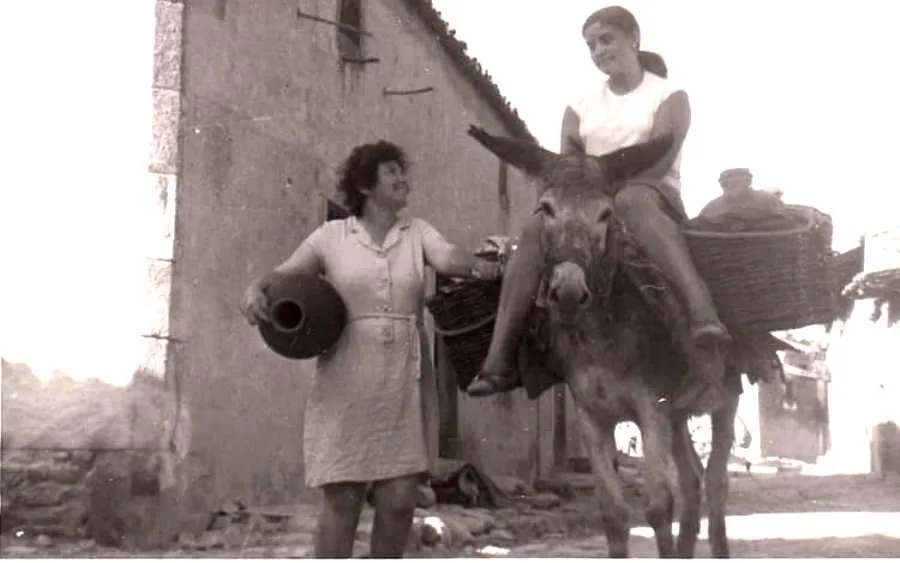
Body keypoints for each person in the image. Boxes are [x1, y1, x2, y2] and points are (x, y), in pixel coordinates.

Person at [240, 141, 501, 558]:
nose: (403, 179)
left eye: (404, 170)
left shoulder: (417, 232)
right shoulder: (331, 237)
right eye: (392, 172)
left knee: (399, 501)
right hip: (347, 375)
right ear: (364, 184)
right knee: (343, 496)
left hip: (402, 376)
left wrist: (480, 265)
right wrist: (256, 289)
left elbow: (448, 257)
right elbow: (283, 276)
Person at [465, 5, 731, 412]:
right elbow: (567, 167)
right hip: (588, 200)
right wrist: (580, 199)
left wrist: (600, 189)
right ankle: (499, 357)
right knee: (538, 226)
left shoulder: (668, 95)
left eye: (606, 39)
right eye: (590, 45)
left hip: (649, 192)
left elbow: (658, 158)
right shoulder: (579, 105)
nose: (598, 50)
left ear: (634, 39)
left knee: (629, 201)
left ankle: (701, 311)